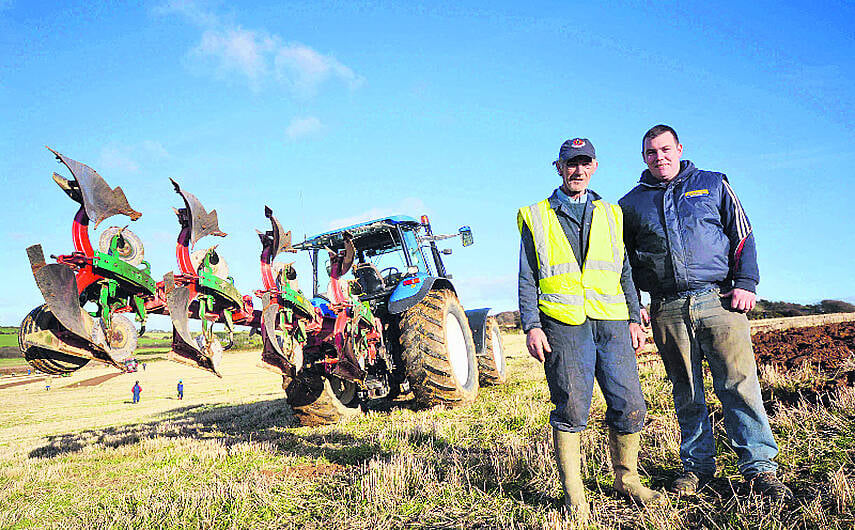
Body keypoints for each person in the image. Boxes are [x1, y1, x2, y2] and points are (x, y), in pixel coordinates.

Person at [619, 124, 792, 501]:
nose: (659, 157)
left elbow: (742, 233)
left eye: (666, 149)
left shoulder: (713, 184)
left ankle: (759, 468)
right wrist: (635, 312)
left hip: (718, 301)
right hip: (666, 308)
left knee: (738, 384)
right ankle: (696, 467)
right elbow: (625, 266)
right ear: (643, 157)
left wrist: (746, 281)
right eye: (651, 152)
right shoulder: (630, 204)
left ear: (680, 148)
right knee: (687, 391)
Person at [518, 137, 662, 516]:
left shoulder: (613, 214)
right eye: (570, 164)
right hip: (563, 324)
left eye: (585, 163)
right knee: (572, 407)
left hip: (612, 322)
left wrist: (635, 315)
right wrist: (532, 325)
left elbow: (625, 270)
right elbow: (527, 276)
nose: (577, 170)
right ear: (559, 167)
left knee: (630, 403)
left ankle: (626, 478)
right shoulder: (537, 215)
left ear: (594, 166)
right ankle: (575, 496)